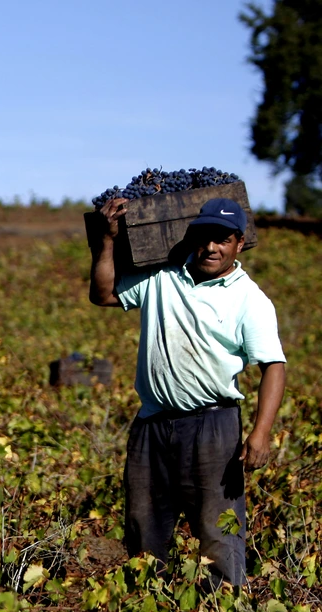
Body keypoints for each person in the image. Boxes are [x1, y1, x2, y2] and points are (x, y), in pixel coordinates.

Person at [89, 197, 286, 588]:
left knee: (218, 531)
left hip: (214, 426)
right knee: (143, 528)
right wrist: (107, 241)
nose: (211, 247)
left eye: (223, 240)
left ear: (239, 244)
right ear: (192, 238)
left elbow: (274, 367)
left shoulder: (250, 298)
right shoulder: (163, 278)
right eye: (205, 237)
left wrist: (261, 433)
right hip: (152, 424)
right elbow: (105, 294)